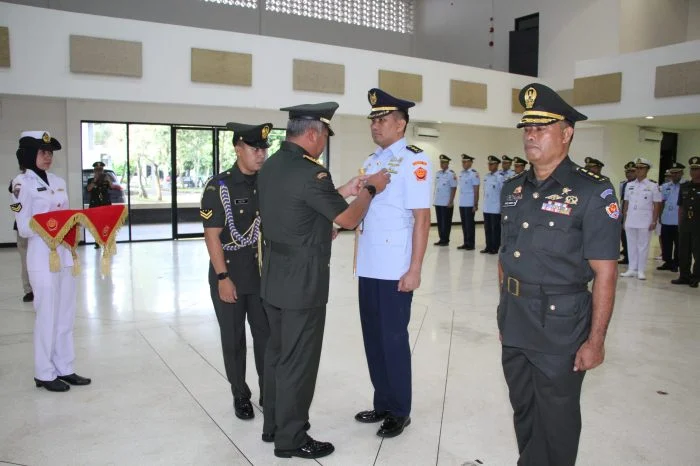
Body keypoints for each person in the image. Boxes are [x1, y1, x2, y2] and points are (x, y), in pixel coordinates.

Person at [258, 101, 390, 459]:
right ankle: (292, 437)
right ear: (314, 133)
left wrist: (345, 187)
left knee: (276, 356)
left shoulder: (271, 165)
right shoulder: (311, 173)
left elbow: (297, 210)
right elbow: (346, 219)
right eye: (325, 136)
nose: (323, 143)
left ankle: (273, 425)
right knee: (298, 362)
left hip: (273, 277)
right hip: (302, 283)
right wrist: (370, 189)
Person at [498, 83, 620, 466]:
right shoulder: (512, 188)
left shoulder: (592, 192)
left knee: (558, 416)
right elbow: (504, 256)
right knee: (524, 408)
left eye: (542, 128)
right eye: (527, 128)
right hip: (516, 316)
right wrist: (504, 310)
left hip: (561, 322)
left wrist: (596, 341)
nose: (530, 136)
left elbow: (605, 273)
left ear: (566, 134)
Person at [354, 88, 432, 439]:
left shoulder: (416, 161)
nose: (375, 125)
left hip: (395, 266)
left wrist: (414, 268)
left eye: (382, 119)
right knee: (373, 338)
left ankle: (400, 410)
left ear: (401, 124)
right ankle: (382, 401)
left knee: (393, 339)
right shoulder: (371, 162)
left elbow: (421, 218)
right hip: (369, 262)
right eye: (373, 119)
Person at [200, 122, 272, 420]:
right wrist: (222, 278)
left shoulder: (268, 181)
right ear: (238, 148)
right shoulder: (220, 186)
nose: (262, 155)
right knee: (234, 340)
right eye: (256, 149)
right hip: (229, 273)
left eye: (265, 149)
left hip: (262, 276)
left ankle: (269, 392)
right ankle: (240, 395)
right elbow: (212, 235)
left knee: (266, 338)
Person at [11, 131, 91, 392]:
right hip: (41, 254)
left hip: (65, 253)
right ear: (28, 155)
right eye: (42, 152)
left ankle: (64, 367)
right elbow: (23, 227)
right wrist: (53, 227)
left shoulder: (58, 181)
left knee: (65, 313)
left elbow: (64, 214)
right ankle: (44, 372)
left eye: (50, 153)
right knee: (46, 314)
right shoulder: (21, 184)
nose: (47, 157)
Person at [620, 157, 662, 280]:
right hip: (631, 218)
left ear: (647, 170)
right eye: (637, 168)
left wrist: (654, 220)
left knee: (643, 245)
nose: (638, 170)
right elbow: (626, 203)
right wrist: (624, 219)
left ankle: (641, 270)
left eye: (641, 168)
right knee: (631, 244)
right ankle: (631, 268)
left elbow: (657, 204)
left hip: (645, 219)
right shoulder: (629, 185)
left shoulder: (653, 185)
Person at [672, 156, 700, 288]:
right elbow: (681, 207)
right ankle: (684, 276)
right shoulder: (685, 187)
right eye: (692, 169)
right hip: (685, 223)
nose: (694, 172)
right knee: (683, 251)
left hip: (698, 224)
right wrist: (679, 224)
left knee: (698, 252)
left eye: (697, 169)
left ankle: (696, 277)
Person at [9, 166, 33, 302]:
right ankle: (28, 290)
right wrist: (21, 219)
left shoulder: (44, 182)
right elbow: (15, 205)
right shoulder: (16, 182)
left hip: (40, 227)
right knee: (25, 260)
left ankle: (39, 288)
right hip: (24, 228)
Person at [657, 162, 685, 272]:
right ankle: (667, 262)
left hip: (679, 220)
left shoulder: (685, 185)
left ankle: (676, 263)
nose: (674, 175)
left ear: (682, 173)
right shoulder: (665, 186)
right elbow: (662, 202)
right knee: (666, 242)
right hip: (666, 219)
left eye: (677, 173)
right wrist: (660, 216)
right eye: (672, 173)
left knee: (678, 244)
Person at [86, 161, 116, 249]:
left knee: (107, 223)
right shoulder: (91, 180)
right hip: (95, 205)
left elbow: (112, 186)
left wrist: (108, 179)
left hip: (105, 204)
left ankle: (108, 241)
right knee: (96, 224)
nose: (99, 172)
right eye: (97, 170)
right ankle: (97, 241)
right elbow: (88, 189)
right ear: (94, 171)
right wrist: (95, 180)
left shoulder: (106, 180)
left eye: (100, 170)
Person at [481, 155, 504, 254]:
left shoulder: (500, 177)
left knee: (495, 229)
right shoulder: (487, 176)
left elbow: (503, 192)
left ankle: (495, 247)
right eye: (489, 164)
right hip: (487, 207)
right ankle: (488, 246)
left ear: (497, 165)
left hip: (496, 207)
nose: (490, 166)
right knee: (487, 228)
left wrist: (502, 207)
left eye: (492, 164)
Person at [457, 154, 480, 250]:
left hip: (470, 203)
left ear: (470, 162)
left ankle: (471, 244)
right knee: (464, 224)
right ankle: (465, 242)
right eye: (463, 162)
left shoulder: (474, 174)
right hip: (462, 202)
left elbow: (476, 190)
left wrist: (475, 204)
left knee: (469, 224)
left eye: (466, 162)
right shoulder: (462, 173)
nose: (464, 164)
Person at [433, 154, 457, 246]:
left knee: (446, 222)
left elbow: (453, 188)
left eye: (444, 162)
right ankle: (441, 238)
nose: (442, 164)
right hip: (438, 202)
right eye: (441, 162)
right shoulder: (438, 173)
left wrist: (451, 201)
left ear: (447, 163)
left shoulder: (451, 174)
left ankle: (445, 240)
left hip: (446, 203)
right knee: (440, 221)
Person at [618, 161, 636, 264]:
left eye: (632, 172)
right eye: (627, 172)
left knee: (632, 238)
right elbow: (622, 199)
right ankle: (626, 255)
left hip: (633, 214)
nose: (629, 174)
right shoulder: (623, 184)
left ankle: (632, 258)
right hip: (623, 212)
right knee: (623, 236)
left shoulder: (637, 185)